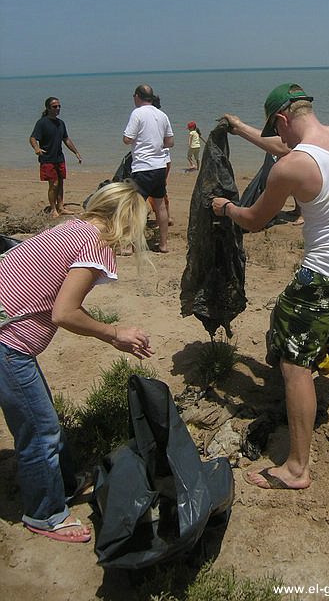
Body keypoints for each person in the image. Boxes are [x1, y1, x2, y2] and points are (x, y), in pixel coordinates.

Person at [211, 83, 329, 491]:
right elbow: (290, 151)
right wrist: (243, 129)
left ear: (284, 120)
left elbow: (253, 219)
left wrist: (225, 207)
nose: (277, 139)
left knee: (295, 363)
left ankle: (297, 469)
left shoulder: (292, 166)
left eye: (277, 130)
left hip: (324, 272)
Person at [0, 180, 154, 543]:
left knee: (41, 417)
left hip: (7, 335)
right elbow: (65, 313)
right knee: (41, 430)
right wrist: (114, 333)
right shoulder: (98, 245)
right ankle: (45, 514)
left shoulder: (74, 227)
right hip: (6, 342)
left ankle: (65, 484)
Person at [123, 84, 174, 253]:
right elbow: (170, 142)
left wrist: (137, 140)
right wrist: (156, 144)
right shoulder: (162, 114)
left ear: (138, 96)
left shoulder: (137, 113)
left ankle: (131, 246)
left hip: (142, 167)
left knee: (135, 206)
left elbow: (127, 139)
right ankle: (163, 244)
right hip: (159, 166)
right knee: (160, 206)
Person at [29, 97, 82, 217]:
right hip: (47, 158)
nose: (57, 108)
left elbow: (66, 139)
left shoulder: (60, 123)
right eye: (54, 106)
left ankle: (61, 207)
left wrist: (76, 152)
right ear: (48, 108)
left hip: (59, 158)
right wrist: (37, 149)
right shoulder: (42, 122)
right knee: (54, 184)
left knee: (61, 183)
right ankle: (53, 209)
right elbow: (32, 138)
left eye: (59, 106)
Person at [148, 95, 173, 226]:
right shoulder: (162, 117)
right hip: (162, 162)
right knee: (162, 195)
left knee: (157, 197)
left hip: (156, 163)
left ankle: (163, 219)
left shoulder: (155, 118)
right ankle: (166, 217)